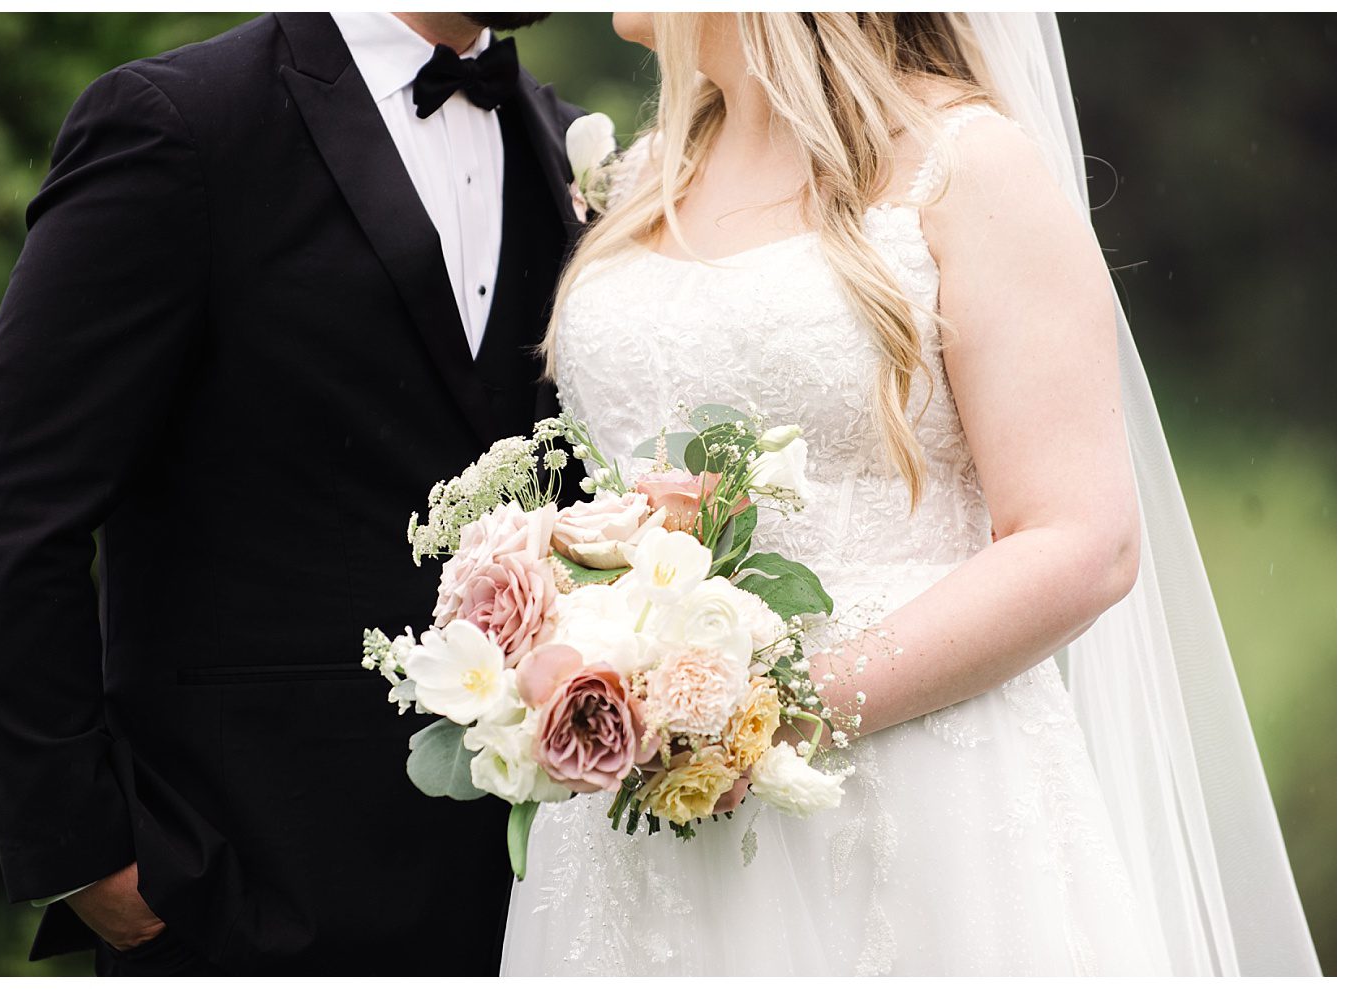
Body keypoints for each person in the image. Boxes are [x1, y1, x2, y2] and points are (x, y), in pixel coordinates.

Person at [500, 12, 1319, 975]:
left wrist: (774, 713)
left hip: (905, 803)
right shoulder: (644, 175)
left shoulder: (967, 167)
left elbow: (1082, 539)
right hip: (633, 825)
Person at [0, 12, 583, 975]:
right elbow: (10, 501)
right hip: (242, 884)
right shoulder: (179, 120)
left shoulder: (570, 147)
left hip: (530, 896)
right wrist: (84, 848)